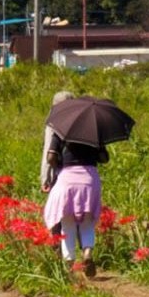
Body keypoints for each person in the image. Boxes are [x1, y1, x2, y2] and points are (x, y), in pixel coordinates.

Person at [41, 90, 108, 277]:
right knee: (87, 223)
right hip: (90, 179)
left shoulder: (61, 129)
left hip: (67, 179)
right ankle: (87, 252)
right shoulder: (94, 132)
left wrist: (59, 166)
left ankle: (69, 265)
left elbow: (50, 156)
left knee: (67, 223)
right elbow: (104, 158)